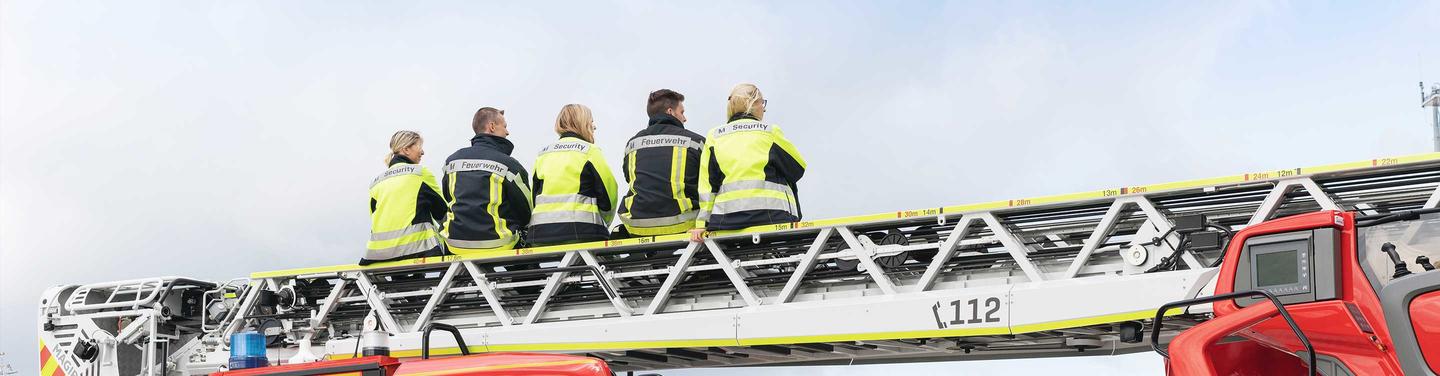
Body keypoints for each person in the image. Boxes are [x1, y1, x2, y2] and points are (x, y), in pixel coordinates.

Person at [691, 83, 806, 242]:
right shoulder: (769, 131)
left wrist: (701, 224)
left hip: (727, 220)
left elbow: (708, 186)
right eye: (762, 103)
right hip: (772, 215)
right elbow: (797, 169)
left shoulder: (714, 136)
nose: (764, 109)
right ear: (753, 104)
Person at [441, 107, 533, 255]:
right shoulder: (509, 164)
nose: (507, 132)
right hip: (498, 244)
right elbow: (526, 210)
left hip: (455, 245)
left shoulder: (451, 161)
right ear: (492, 127)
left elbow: (448, 196)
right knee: (527, 257)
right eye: (505, 126)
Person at [616, 89, 704, 237]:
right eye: (682, 112)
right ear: (670, 112)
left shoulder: (632, 144)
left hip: (637, 226)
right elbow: (708, 183)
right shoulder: (695, 142)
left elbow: (629, 178)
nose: (685, 118)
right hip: (683, 224)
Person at [528, 104, 619, 245]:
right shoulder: (590, 151)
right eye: (591, 121)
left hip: (540, 233)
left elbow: (533, 196)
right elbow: (609, 196)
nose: (594, 127)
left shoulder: (543, 154)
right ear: (582, 123)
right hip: (582, 231)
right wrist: (604, 222)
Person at [363, 131, 448, 265]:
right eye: (419, 146)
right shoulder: (420, 173)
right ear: (406, 149)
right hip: (419, 250)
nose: (423, 152)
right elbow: (443, 213)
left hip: (378, 255)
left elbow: (375, 219)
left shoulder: (376, 182)